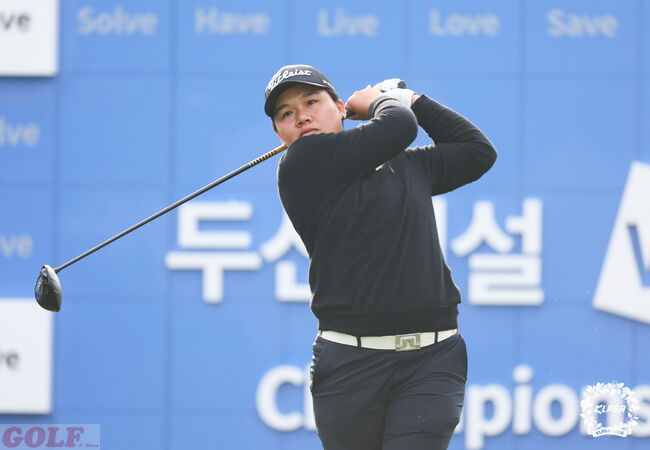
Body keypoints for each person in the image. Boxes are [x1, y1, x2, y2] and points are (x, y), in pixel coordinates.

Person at [264, 64, 497, 450]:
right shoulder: (301, 163)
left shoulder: (407, 165)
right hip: (349, 365)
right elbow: (399, 127)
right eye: (286, 113)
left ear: (340, 108)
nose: (301, 116)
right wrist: (382, 101)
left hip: (432, 358)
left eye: (311, 102)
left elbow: (477, 152)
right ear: (279, 134)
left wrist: (413, 100)